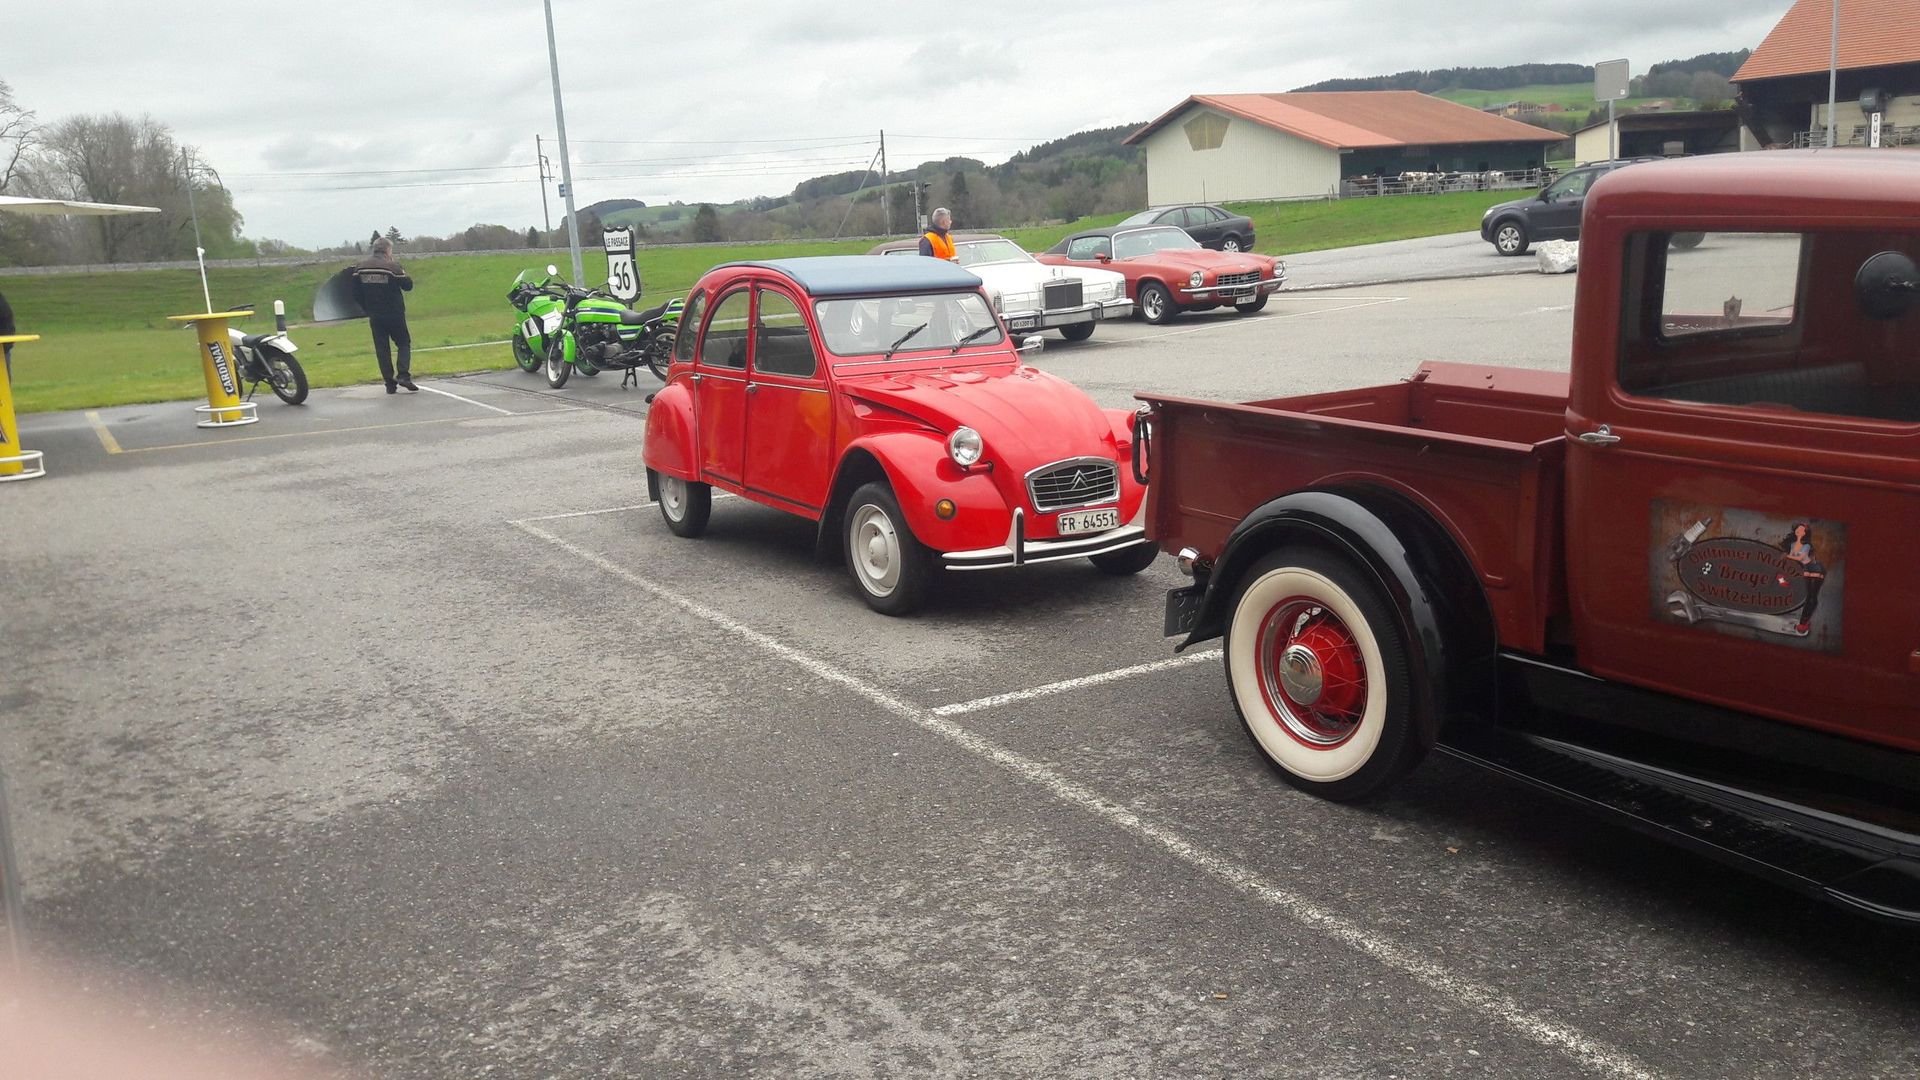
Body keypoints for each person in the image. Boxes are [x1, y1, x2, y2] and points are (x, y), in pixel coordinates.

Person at [350, 237, 416, 393]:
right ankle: (403, 375)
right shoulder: (392, 266)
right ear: (388, 250)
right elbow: (408, 286)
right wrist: (401, 270)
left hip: (375, 314)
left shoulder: (360, 267)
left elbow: (355, 292)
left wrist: (367, 309)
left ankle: (389, 383)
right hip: (394, 313)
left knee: (382, 349)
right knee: (403, 343)